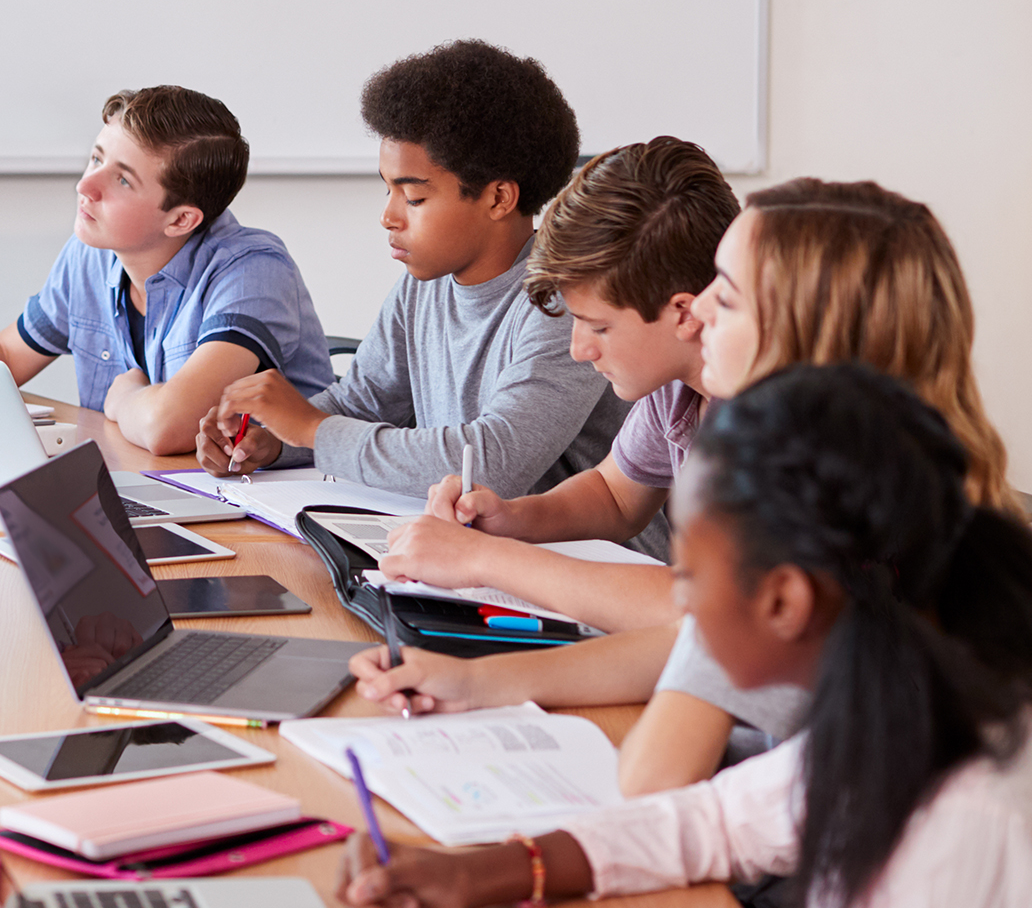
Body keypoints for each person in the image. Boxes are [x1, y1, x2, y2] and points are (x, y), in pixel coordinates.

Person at [352, 179, 1018, 799]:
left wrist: (486, 569)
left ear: (798, 337)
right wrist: (479, 681)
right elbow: (699, 642)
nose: (693, 312)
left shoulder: (830, 516)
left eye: (723, 294)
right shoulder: (841, 475)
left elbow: (668, 740)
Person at [340, 364, 1032, 908]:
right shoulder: (896, 697)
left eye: (688, 576)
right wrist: (469, 874)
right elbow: (715, 820)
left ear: (784, 601)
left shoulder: (961, 818)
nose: (677, 605)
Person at [196, 39, 626, 497]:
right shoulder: (423, 286)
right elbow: (361, 404)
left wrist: (313, 433)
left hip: (582, 555)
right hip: (464, 543)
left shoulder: (564, 302)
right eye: (389, 191)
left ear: (499, 198)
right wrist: (274, 441)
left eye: (415, 197)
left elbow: (495, 463)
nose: (389, 216)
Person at [368, 137, 740, 632]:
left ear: (685, 313)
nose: (579, 350)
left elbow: (715, 611)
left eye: (599, 326)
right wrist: (511, 520)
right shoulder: (674, 386)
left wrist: (483, 559)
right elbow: (616, 495)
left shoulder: (768, 417)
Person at [0, 85, 332, 453]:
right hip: (140, 486)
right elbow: (8, 352)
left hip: (258, 515)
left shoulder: (251, 268)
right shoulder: (92, 253)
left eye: (121, 178)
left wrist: (124, 398)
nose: (87, 184)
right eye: (97, 157)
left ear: (181, 219)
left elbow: (169, 425)